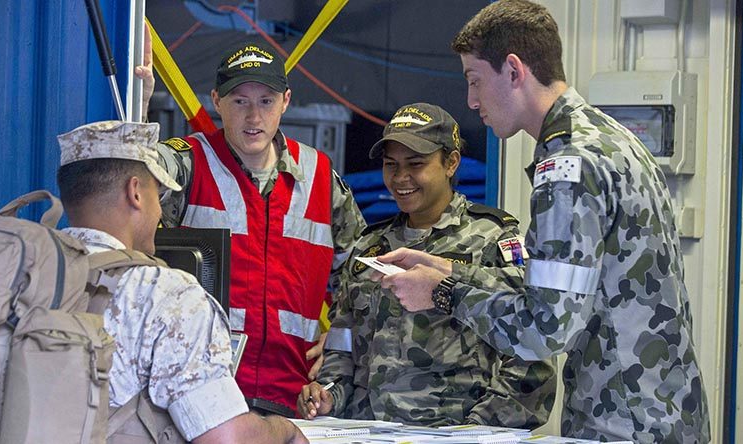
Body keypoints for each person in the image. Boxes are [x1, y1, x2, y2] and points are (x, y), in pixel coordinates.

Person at [371, 1, 711, 442]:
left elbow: (545, 328)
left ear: (513, 70)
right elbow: (564, 288)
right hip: (664, 409)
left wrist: (444, 294)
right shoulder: (611, 137)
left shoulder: (565, 165)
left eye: (475, 81)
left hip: (623, 420)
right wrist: (450, 269)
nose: (472, 101)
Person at [136, 36, 366, 414]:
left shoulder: (320, 177)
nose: (254, 117)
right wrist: (140, 108)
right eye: (240, 101)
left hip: (298, 400)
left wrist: (341, 344)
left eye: (266, 101)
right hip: (202, 398)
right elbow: (135, 181)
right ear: (216, 101)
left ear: (286, 102)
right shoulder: (190, 162)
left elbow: (362, 280)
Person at [295, 103, 556, 427]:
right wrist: (327, 396)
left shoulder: (492, 241)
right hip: (368, 433)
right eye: (391, 165)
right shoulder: (369, 246)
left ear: (451, 163)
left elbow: (532, 356)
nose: (401, 178)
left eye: (416, 164)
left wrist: (475, 430)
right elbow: (342, 350)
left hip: (454, 435)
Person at [56, 120, 307, 443]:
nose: (160, 210)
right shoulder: (166, 295)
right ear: (135, 192)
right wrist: (283, 429)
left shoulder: (21, 274)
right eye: (157, 193)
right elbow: (225, 439)